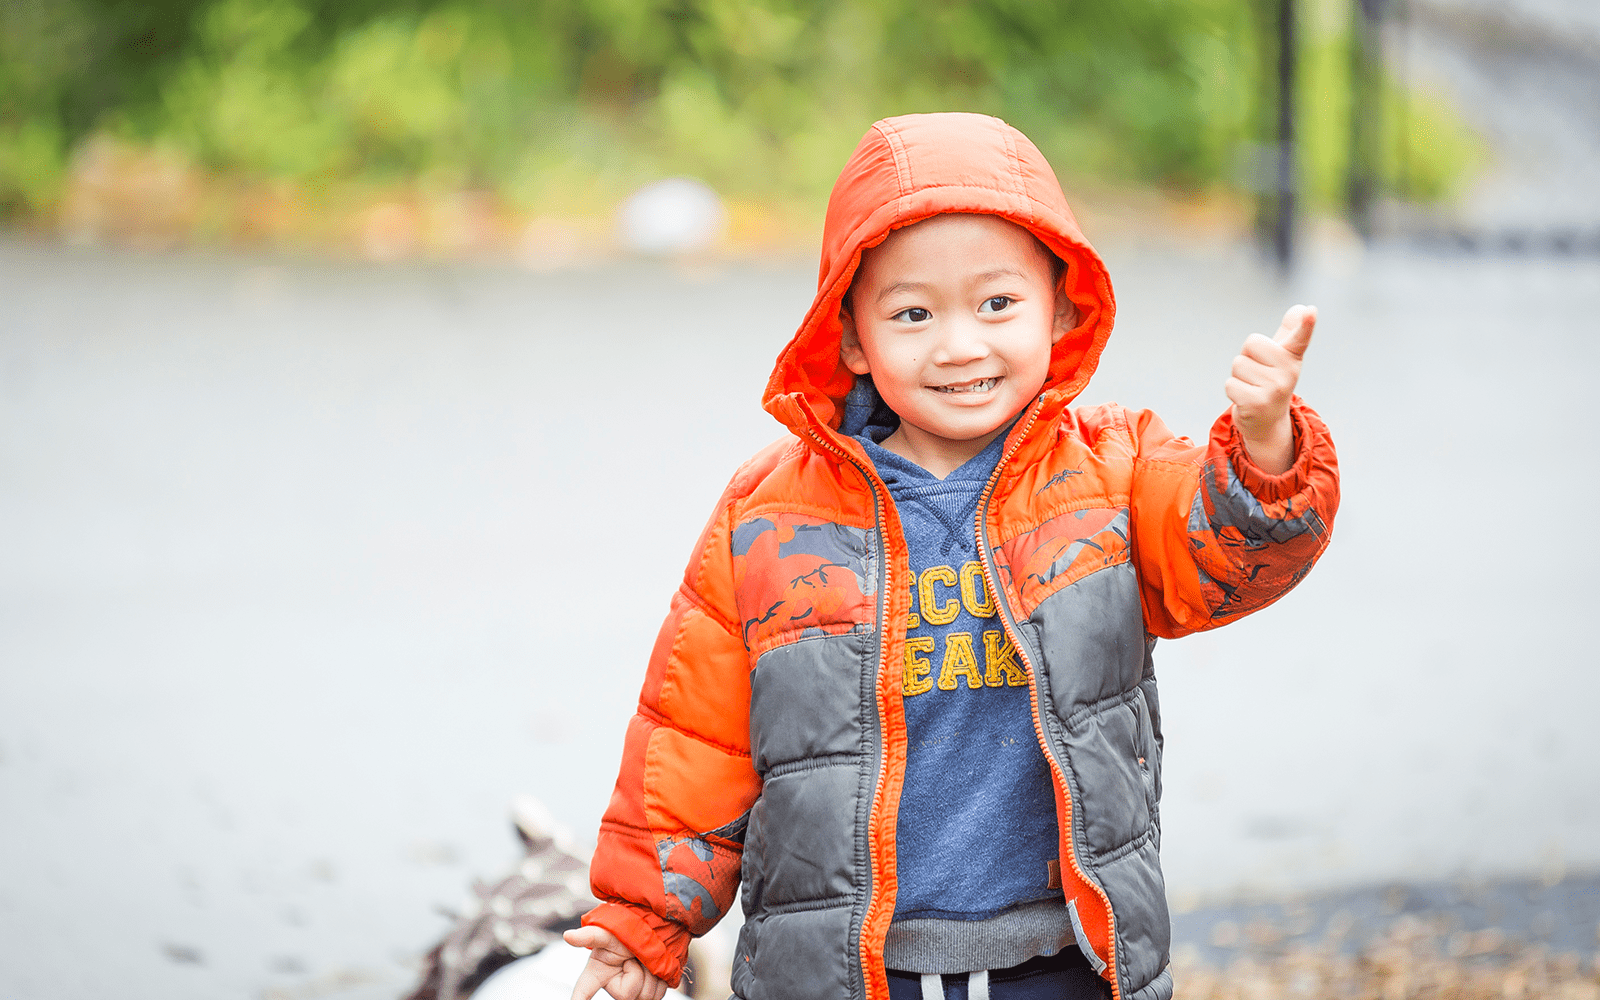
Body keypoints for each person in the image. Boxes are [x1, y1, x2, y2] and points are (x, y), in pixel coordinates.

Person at [564, 112, 1339, 1000]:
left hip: (1061, 959)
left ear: (1059, 305)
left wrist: (1266, 446)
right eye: (913, 313)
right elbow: (695, 738)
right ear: (851, 336)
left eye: (997, 303)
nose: (960, 344)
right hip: (846, 970)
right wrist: (644, 923)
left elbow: (1231, 554)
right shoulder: (772, 516)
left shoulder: (1112, 470)